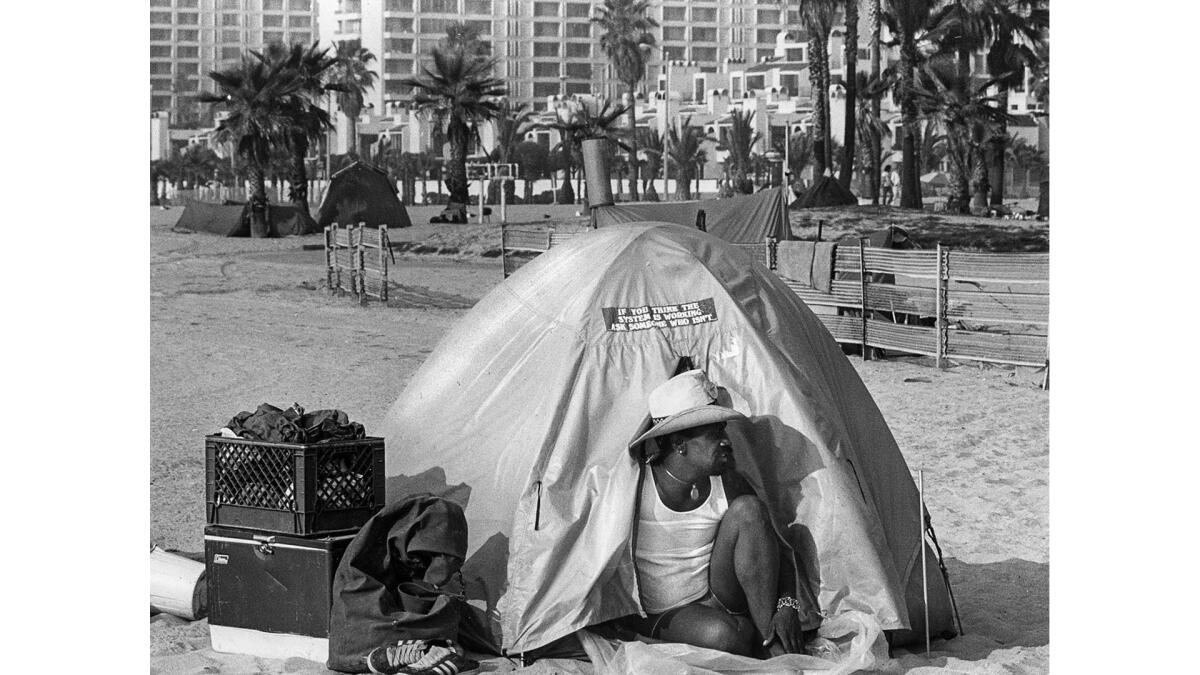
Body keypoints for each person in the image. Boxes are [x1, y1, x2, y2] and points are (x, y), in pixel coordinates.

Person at [616, 369, 817, 657]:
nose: (726, 441)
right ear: (679, 444)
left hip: (718, 597)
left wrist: (786, 606)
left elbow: (776, 551)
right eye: (714, 434)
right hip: (664, 614)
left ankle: (769, 640)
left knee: (750, 510)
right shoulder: (637, 487)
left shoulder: (728, 481)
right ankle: (759, 643)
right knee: (726, 637)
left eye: (723, 430)